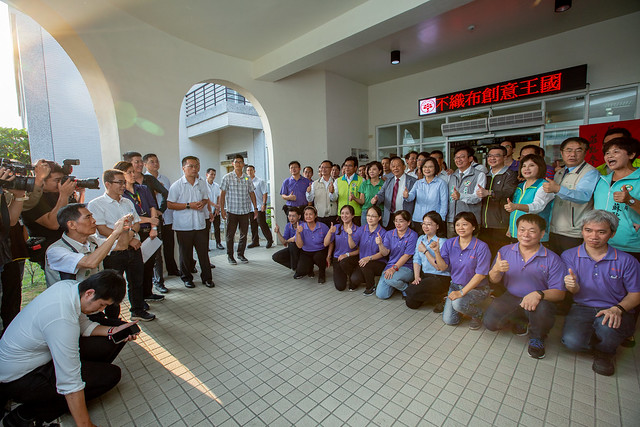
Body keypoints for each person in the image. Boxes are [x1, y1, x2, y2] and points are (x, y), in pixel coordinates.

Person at [0, 270, 139, 426]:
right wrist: (85, 424)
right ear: (90, 293)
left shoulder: (70, 288)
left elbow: (83, 325)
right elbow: (69, 380)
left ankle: (83, 379)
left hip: (35, 359)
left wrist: (113, 331)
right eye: (102, 305)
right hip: (19, 379)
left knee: (113, 337)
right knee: (110, 376)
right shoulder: (61, 319)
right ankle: (26, 414)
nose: (101, 310)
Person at [561, 210, 640, 376]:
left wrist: (617, 309)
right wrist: (572, 286)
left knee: (608, 329)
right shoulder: (569, 255)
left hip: (615, 308)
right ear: (582, 231)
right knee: (571, 342)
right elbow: (574, 291)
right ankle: (600, 341)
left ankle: (605, 353)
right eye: (588, 230)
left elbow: (635, 295)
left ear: (612, 234)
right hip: (582, 306)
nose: (593, 236)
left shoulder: (627, 261)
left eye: (601, 232)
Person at [484, 214, 566, 359]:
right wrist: (496, 269)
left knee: (544, 309)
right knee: (490, 323)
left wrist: (539, 294)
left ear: (542, 234)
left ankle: (537, 337)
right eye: (522, 230)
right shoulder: (505, 251)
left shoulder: (552, 259)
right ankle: (521, 319)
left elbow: (560, 293)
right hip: (512, 296)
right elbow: (494, 280)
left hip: (540, 300)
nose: (526, 235)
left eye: (532, 231)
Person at [88, 169, 155, 321]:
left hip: (133, 249)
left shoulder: (127, 202)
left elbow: (137, 223)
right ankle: (113, 317)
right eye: (120, 182)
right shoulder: (97, 204)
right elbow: (102, 229)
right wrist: (127, 238)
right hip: (113, 252)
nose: (123, 185)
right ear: (108, 184)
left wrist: (130, 237)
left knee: (137, 281)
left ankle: (137, 310)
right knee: (113, 286)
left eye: (124, 182)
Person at [113, 161, 164, 304]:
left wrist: (154, 227)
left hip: (150, 232)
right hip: (134, 233)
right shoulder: (122, 196)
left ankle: (148, 292)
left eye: (133, 172)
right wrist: (149, 220)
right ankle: (139, 299)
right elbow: (129, 217)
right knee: (137, 268)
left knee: (149, 265)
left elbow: (153, 206)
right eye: (129, 172)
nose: (133, 174)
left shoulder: (143, 189)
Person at [44, 204, 129, 287]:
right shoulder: (56, 250)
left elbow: (121, 246)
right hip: (69, 299)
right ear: (71, 225)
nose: (94, 220)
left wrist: (125, 229)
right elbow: (90, 263)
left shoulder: (92, 241)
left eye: (92, 216)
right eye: (88, 217)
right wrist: (115, 233)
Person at [432, 212, 491, 330]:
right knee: (450, 320)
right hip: (455, 286)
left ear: (473, 226)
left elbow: (481, 275)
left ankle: (478, 313)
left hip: (477, 289)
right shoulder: (450, 243)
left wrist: (461, 293)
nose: (460, 228)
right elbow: (442, 267)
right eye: (457, 225)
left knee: (458, 303)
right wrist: (436, 252)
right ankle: (462, 306)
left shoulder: (481, 247)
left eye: (465, 224)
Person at [543, 137, 599, 254]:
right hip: (554, 229)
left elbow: (584, 196)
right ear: (562, 153)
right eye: (568, 150)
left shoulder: (590, 172)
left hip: (574, 232)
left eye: (578, 150)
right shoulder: (560, 172)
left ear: (585, 153)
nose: (572, 154)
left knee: (572, 267)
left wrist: (558, 189)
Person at [167, 156, 214, 288]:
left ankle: (207, 278)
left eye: (197, 166)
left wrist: (202, 203)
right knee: (185, 254)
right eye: (191, 166)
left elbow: (205, 198)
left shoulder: (202, 183)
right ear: (184, 168)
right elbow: (170, 204)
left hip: (200, 224)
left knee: (203, 253)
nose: (194, 169)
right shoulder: (177, 185)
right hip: (183, 226)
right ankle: (187, 278)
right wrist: (189, 205)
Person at [22, 161, 79, 267]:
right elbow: (53, 224)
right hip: (50, 251)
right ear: (42, 180)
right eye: (57, 180)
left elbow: (75, 217)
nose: (60, 184)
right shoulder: (32, 199)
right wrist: (64, 195)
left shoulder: (56, 194)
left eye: (61, 180)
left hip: (69, 246)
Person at [593, 136, 640, 260]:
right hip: (601, 244)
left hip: (630, 246)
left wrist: (630, 200)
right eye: (607, 153)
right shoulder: (602, 180)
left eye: (616, 152)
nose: (609, 156)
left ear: (631, 155)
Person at [476, 145, 519, 259]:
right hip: (484, 224)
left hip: (500, 224)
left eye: (497, 155)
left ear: (505, 157)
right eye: (490, 156)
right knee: (484, 256)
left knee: (499, 255)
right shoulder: (485, 175)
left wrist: (489, 193)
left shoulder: (510, 175)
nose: (492, 158)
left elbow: (508, 193)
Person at [143, 153, 177, 290]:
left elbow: (168, 196)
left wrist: (162, 210)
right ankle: (156, 280)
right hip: (150, 220)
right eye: (152, 162)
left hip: (166, 217)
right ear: (145, 164)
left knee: (169, 245)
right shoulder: (144, 180)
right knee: (154, 251)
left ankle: (172, 269)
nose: (155, 164)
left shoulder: (165, 179)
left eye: (157, 161)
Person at [405, 211, 450, 312]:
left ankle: (443, 298)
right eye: (424, 223)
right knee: (411, 303)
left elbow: (439, 267)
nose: (425, 226)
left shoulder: (443, 241)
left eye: (429, 224)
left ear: (437, 226)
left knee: (410, 291)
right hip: (426, 275)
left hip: (440, 277)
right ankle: (439, 299)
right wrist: (417, 277)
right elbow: (416, 259)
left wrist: (425, 251)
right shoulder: (421, 238)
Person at [504, 154, 554, 242]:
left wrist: (516, 206)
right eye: (524, 166)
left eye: (531, 165)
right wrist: (510, 227)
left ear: (540, 167)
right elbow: (514, 210)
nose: (526, 169)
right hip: (517, 232)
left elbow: (537, 207)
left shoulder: (544, 186)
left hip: (534, 235)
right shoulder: (520, 186)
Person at [220, 155, 258, 265]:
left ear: (243, 164)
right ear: (233, 164)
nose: (238, 164)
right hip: (232, 212)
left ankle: (240, 254)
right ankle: (230, 256)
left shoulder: (247, 178)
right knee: (230, 235)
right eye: (236, 162)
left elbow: (252, 193)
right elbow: (222, 194)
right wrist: (222, 209)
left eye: (241, 162)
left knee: (244, 235)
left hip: (245, 212)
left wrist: (255, 208)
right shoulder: (227, 177)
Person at [375, 210, 418, 300]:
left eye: (401, 221)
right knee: (381, 295)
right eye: (396, 221)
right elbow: (385, 252)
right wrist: (380, 244)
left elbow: (407, 256)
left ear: (408, 222)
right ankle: (398, 284)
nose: (398, 223)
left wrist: (393, 269)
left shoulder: (413, 235)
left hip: (406, 267)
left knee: (390, 279)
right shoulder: (389, 233)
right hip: (390, 266)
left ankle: (406, 289)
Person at [446, 146, 486, 238]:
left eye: (462, 157)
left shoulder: (479, 175)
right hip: (452, 220)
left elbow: (477, 197)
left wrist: (461, 196)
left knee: (470, 249)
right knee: (452, 248)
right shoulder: (452, 175)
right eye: (456, 157)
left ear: (470, 158)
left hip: (469, 222)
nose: (458, 160)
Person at [349, 206, 387, 296]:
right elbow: (352, 246)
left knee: (366, 265)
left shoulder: (383, 233)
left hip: (379, 262)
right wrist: (350, 235)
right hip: (363, 262)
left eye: (373, 216)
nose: (370, 218)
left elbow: (383, 254)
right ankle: (365, 277)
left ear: (379, 218)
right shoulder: (362, 229)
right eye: (368, 215)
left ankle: (371, 286)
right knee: (354, 279)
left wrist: (369, 258)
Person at [404, 157, 448, 233]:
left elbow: (444, 203)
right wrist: (407, 196)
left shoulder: (441, 183)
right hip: (418, 219)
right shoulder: (418, 183)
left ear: (435, 168)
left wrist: (441, 220)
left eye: (430, 167)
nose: (427, 169)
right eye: (425, 167)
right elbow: (411, 196)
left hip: (434, 221)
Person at [371, 157, 417, 229]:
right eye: (393, 166)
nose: (395, 168)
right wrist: (376, 198)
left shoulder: (413, 181)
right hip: (390, 216)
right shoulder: (388, 181)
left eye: (398, 165)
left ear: (404, 167)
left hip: (405, 216)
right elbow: (381, 194)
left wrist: (408, 196)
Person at [324, 205, 359, 291]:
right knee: (340, 287)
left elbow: (358, 250)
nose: (344, 216)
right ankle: (344, 274)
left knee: (344, 262)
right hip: (337, 258)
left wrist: (346, 255)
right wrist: (330, 232)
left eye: (347, 213)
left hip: (351, 258)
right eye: (342, 213)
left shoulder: (358, 229)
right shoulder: (336, 227)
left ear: (353, 215)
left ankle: (352, 276)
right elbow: (326, 243)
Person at [294, 206, 329, 283]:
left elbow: (331, 242)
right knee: (300, 271)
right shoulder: (301, 227)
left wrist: (329, 256)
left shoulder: (323, 226)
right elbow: (299, 246)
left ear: (315, 215)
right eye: (306, 214)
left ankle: (322, 273)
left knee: (319, 257)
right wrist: (298, 233)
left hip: (319, 251)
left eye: (310, 214)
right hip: (306, 252)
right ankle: (310, 268)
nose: (308, 216)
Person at [246, 165, 273, 249]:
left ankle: (269, 240)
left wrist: (264, 204)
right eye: (248, 170)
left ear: (254, 171)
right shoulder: (246, 181)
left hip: (259, 206)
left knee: (262, 224)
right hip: (250, 207)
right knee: (253, 225)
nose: (249, 172)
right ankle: (255, 241)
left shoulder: (260, 181)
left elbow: (265, 193)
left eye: (251, 170)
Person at [305, 160, 337, 228]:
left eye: (326, 167)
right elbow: (310, 199)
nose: (323, 169)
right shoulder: (315, 183)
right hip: (319, 215)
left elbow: (334, 199)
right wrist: (308, 192)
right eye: (322, 167)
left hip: (332, 215)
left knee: (332, 236)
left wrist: (332, 192)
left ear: (331, 168)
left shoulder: (335, 182)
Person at [335, 156, 364, 225]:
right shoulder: (338, 180)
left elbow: (362, 200)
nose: (347, 168)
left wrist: (354, 198)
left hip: (356, 214)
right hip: (342, 214)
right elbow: (334, 198)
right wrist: (332, 192)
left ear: (355, 168)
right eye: (345, 165)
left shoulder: (361, 180)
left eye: (350, 166)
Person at [354, 161, 383, 226]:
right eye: (370, 169)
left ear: (380, 171)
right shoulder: (364, 184)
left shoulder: (384, 184)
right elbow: (362, 201)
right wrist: (354, 198)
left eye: (374, 169)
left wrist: (377, 199)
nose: (371, 171)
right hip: (366, 212)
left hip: (379, 212)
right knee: (365, 232)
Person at [205, 168, 225, 250]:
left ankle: (218, 243)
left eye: (214, 174)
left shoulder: (216, 185)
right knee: (206, 229)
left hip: (215, 210)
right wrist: (213, 205)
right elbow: (205, 198)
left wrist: (217, 207)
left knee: (217, 228)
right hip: (206, 211)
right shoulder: (203, 185)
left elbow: (218, 197)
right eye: (211, 174)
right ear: (207, 175)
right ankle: (206, 245)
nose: (213, 176)